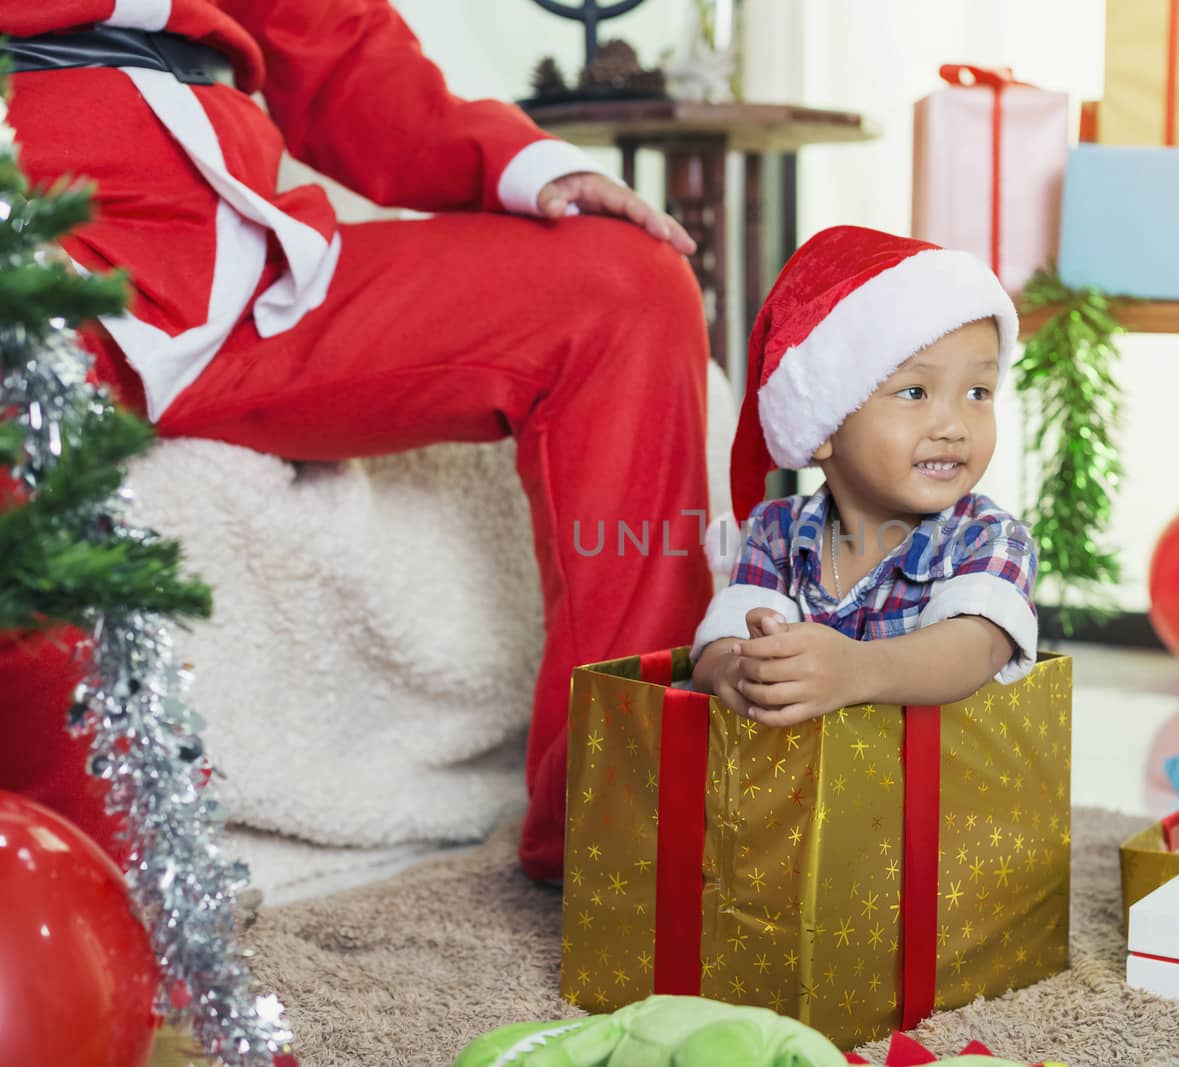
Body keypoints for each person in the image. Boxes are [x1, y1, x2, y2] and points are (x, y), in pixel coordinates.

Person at [0, 0, 713, 881]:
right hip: (31, 244)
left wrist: (519, 161)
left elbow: (335, 44)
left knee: (626, 290)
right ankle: (80, 904)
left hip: (248, 261)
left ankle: (627, 839)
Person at [690, 226, 1038, 725]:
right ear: (826, 424)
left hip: (936, 793)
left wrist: (856, 671)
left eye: (978, 392)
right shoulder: (776, 532)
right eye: (915, 393)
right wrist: (738, 672)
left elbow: (975, 648)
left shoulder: (988, 537)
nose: (954, 426)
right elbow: (721, 644)